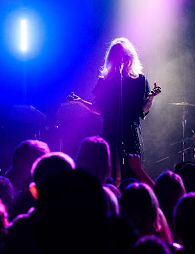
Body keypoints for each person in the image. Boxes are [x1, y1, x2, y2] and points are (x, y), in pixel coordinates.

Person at [68, 37, 161, 187]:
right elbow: (99, 109)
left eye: (123, 55)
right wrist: (80, 102)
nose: (121, 59)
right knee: (110, 174)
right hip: (110, 132)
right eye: (117, 56)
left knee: (131, 175)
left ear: (129, 57)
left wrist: (150, 98)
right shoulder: (104, 81)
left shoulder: (140, 80)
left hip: (131, 133)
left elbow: (142, 111)